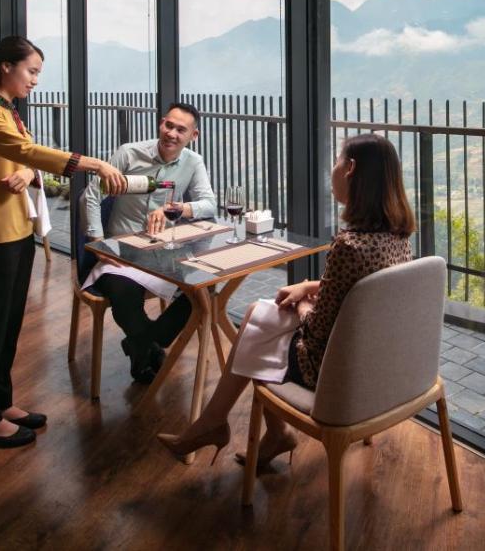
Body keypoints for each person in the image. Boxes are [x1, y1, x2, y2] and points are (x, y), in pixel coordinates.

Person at [156, 133, 415, 467]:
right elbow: (364, 288)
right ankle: (240, 428)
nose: (333, 169)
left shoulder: (349, 246)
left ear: (350, 168)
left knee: (258, 326)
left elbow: (317, 331)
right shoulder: (397, 234)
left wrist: (303, 304)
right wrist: (310, 287)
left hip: (331, 370)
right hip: (377, 360)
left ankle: (219, 425)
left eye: (337, 161)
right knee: (259, 315)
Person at [0, 35, 126, 450]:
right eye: (31, 71)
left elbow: (23, 161)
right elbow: (25, 150)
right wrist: (94, 164)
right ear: (6, 67)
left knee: (9, 325)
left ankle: (1, 403)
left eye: (38, 73)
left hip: (18, 233)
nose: (35, 80)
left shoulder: (9, 111)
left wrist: (25, 173)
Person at [80, 102, 217, 383]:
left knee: (205, 286)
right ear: (161, 123)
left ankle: (141, 344)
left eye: (181, 130)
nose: (172, 134)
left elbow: (209, 204)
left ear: (193, 136)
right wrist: (98, 242)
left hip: (165, 251)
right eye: (169, 125)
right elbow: (90, 196)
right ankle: (149, 348)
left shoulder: (193, 162)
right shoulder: (129, 153)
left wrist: (176, 209)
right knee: (124, 294)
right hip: (121, 252)